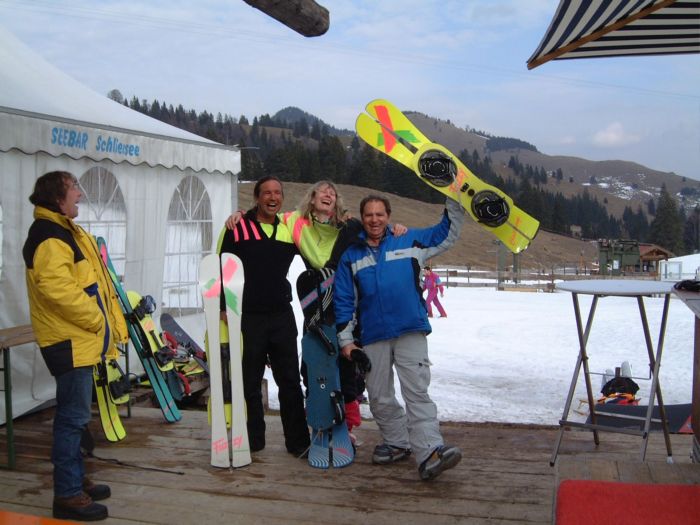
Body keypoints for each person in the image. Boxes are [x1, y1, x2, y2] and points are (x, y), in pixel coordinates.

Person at [226, 180, 407, 438]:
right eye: (323, 191)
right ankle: (319, 422)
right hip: (314, 301)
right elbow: (265, 215)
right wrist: (241, 214)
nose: (328, 194)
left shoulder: (347, 225)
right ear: (311, 198)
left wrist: (394, 228)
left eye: (332, 192)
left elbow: (375, 228)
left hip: (344, 298)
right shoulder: (293, 222)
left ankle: (346, 426)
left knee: (346, 363)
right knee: (312, 364)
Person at [333, 195, 465, 481]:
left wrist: (454, 201)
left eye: (380, 214)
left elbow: (445, 234)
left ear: (389, 216)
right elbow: (343, 302)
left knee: (416, 391)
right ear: (362, 218)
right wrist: (346, 342)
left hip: (410, 329)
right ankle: (396, 442)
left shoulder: (408, 240)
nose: (374, 220)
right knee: (379, 395)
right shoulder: (351, 256)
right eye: (369, 215)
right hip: (373, 335)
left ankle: (430, 451)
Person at [23, 171, 128, 521]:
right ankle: (67, 495)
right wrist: (96, 319)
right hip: (70, 340)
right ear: (58, 197)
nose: (80, 194)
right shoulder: (50, 235)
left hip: (78, 339)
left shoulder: (63, 230)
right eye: (74, 188)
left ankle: (76, 480)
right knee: (72, 418)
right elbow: (58, 289)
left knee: (77, 418)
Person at [217, 175, 310, 456]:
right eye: (267, 193)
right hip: (248, 316)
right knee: (249, 381)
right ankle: (252, 439)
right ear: (257, 197)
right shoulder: (237, 227)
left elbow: (318, 246)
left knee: (290, 381)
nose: (273, 197)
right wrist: (223, 306)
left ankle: (298, 442)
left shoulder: (288, 228)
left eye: (277, 193)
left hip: (282, 315)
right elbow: (223, 266)